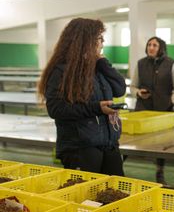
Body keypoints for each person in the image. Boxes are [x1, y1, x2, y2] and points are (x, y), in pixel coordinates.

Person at [38, 18, 126, 175]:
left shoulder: (98, 67)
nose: (103, 43)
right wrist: (96, 108)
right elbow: (56, 109)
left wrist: (104, 64)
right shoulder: (62, 72)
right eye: (100, 38)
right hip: (80, 147)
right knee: (86, 197)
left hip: (108, 143)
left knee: (115, 194)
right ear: (86, 40)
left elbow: (119, 89)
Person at [130, 36, 174, 186]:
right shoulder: (140, 64)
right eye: (149, 45)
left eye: (154, 45)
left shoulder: (170, 64)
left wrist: (170, 101)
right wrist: (139, 93)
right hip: (143, 110)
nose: (151, 47)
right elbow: (133, 86)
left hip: (163, 112)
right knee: (133, 140)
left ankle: (160, 172)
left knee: (162, 143)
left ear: (161, 48)